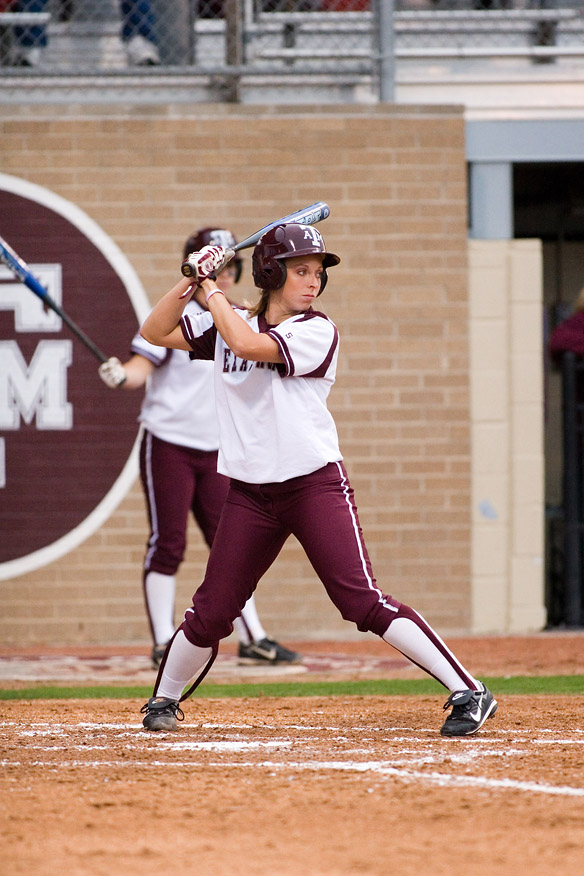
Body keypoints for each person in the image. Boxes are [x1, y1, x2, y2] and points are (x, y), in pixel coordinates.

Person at [138, 222, 498, 738]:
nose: (313, 282)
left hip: (313, 485)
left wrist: (212, 286)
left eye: (317, 273)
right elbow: (155, 330)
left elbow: (246, 340)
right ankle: (163, 701)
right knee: (212, 610)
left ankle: (469, 689)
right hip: (251, 494)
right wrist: (193, 280)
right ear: (270, 272)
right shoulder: (228, 317)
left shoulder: (315, 330)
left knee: (360, 600)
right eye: (300, 271)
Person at [98, 226, 301, 668]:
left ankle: (254, 637)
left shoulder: (240, 315)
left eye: (230, 266)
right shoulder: (181, 314)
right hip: (169, 443)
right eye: (216, 264)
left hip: (217, 449)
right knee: (168, 542)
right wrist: (122, 376)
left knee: (231, 545)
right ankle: (160, 641)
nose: (224, 274)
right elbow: (142, 361)